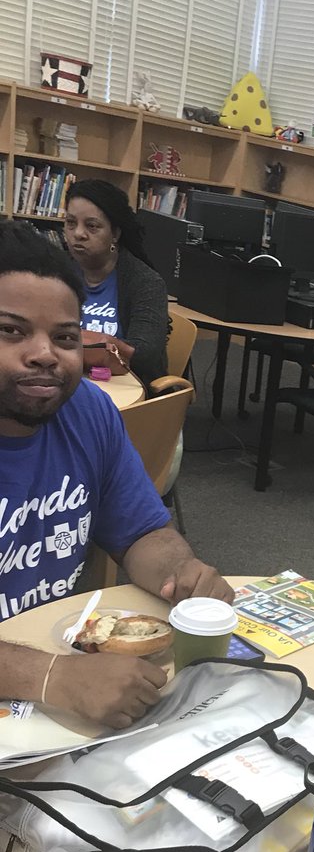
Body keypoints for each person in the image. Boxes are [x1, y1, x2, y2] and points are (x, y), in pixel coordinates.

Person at [0, 222, 231, 728]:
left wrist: (180, 574)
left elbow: (141, 531)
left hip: (48, 681)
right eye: (11, 330)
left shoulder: (88, 411)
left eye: (65, 337)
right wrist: (51, 678)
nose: (45, 353)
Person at [63, 178, 168, 384]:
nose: (78, 234)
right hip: (68, 382)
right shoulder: (58, 273)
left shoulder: (145, 282)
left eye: (92, 226)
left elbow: (144, 355)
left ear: (115, 234)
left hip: (126, 386)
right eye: (70, 223)